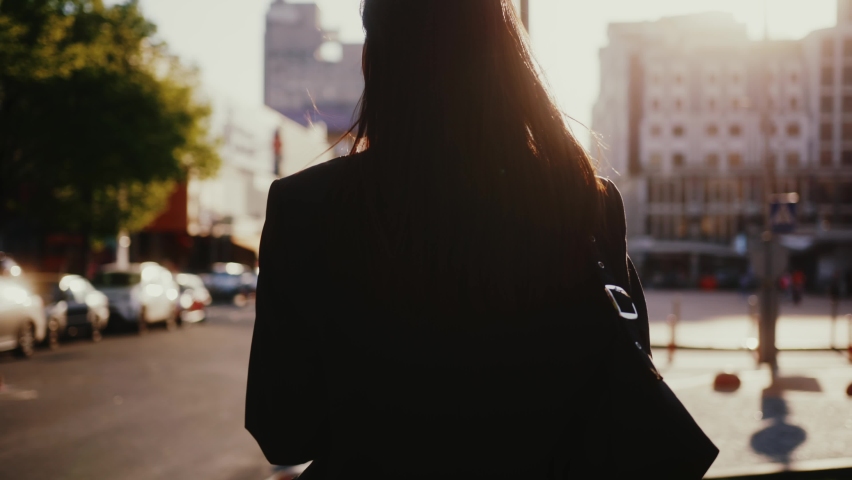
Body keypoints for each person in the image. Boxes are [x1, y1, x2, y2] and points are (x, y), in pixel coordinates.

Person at [245, 1, 708, 478]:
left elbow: (284, 431)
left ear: (372, 61)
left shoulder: (306, 206)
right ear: (507, 60)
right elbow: (625, 381)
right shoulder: (584, 200)